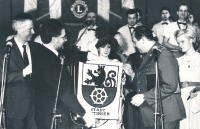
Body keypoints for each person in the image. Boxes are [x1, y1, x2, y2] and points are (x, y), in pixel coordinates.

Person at [31, 19, 98, 129]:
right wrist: (84, 114)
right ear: (54, 39)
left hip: (50, 113)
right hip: (52, 118)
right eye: (63, 37)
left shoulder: (46, 53)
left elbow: (68, 53)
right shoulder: (48, 61)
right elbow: (63, 91)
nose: (66, 40)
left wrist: (89, 56)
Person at [123, 26, 186, 129]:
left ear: (142, 40)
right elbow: (148, 81)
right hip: (154, 113)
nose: (134, 45)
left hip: (167, 114)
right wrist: (131, 75)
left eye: (135, 42)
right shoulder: (150, 55)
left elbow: (170, 86)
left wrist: (144, 96)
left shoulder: (163, 55)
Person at [0, 13, 37, 129]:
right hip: (14, 110)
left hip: (33, 109)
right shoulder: (5, 50)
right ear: (19, 29)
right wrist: (24, 72)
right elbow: (2, 77)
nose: (34, 32)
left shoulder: (34, 47)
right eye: (30, 29)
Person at [89, 35, 124, 129]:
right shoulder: (90, 64)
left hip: (112, 102)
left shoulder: (116, 63)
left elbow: (120, 87)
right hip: (96, 103)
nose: (106, 50)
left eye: (108, 47)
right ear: (98, 48)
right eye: (103, 47)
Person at [175, 29, 200, 129]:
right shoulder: (177, 61)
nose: (180, 45)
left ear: (191, 40)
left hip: (198, 98)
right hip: (183, 98)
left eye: (182, 41)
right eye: (178, 43)